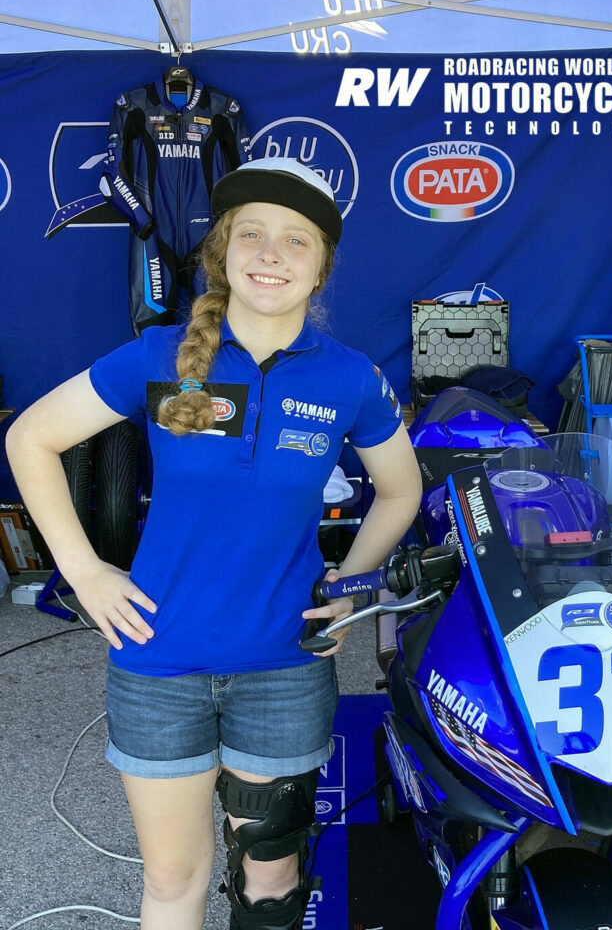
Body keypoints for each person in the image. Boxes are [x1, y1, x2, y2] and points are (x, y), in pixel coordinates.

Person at [6, 157, 423, 930]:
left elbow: (403, 490)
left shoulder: (351, 379)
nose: (272, 254)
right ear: (223, 251)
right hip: (157, 662)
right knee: (174, 883)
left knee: (271, 887)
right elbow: (32, 438)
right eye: (253, 234)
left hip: (283, 671)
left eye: (296, 240)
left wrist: (349, 586)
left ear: (322, 265)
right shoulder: (158, 358)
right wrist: (86, 572)